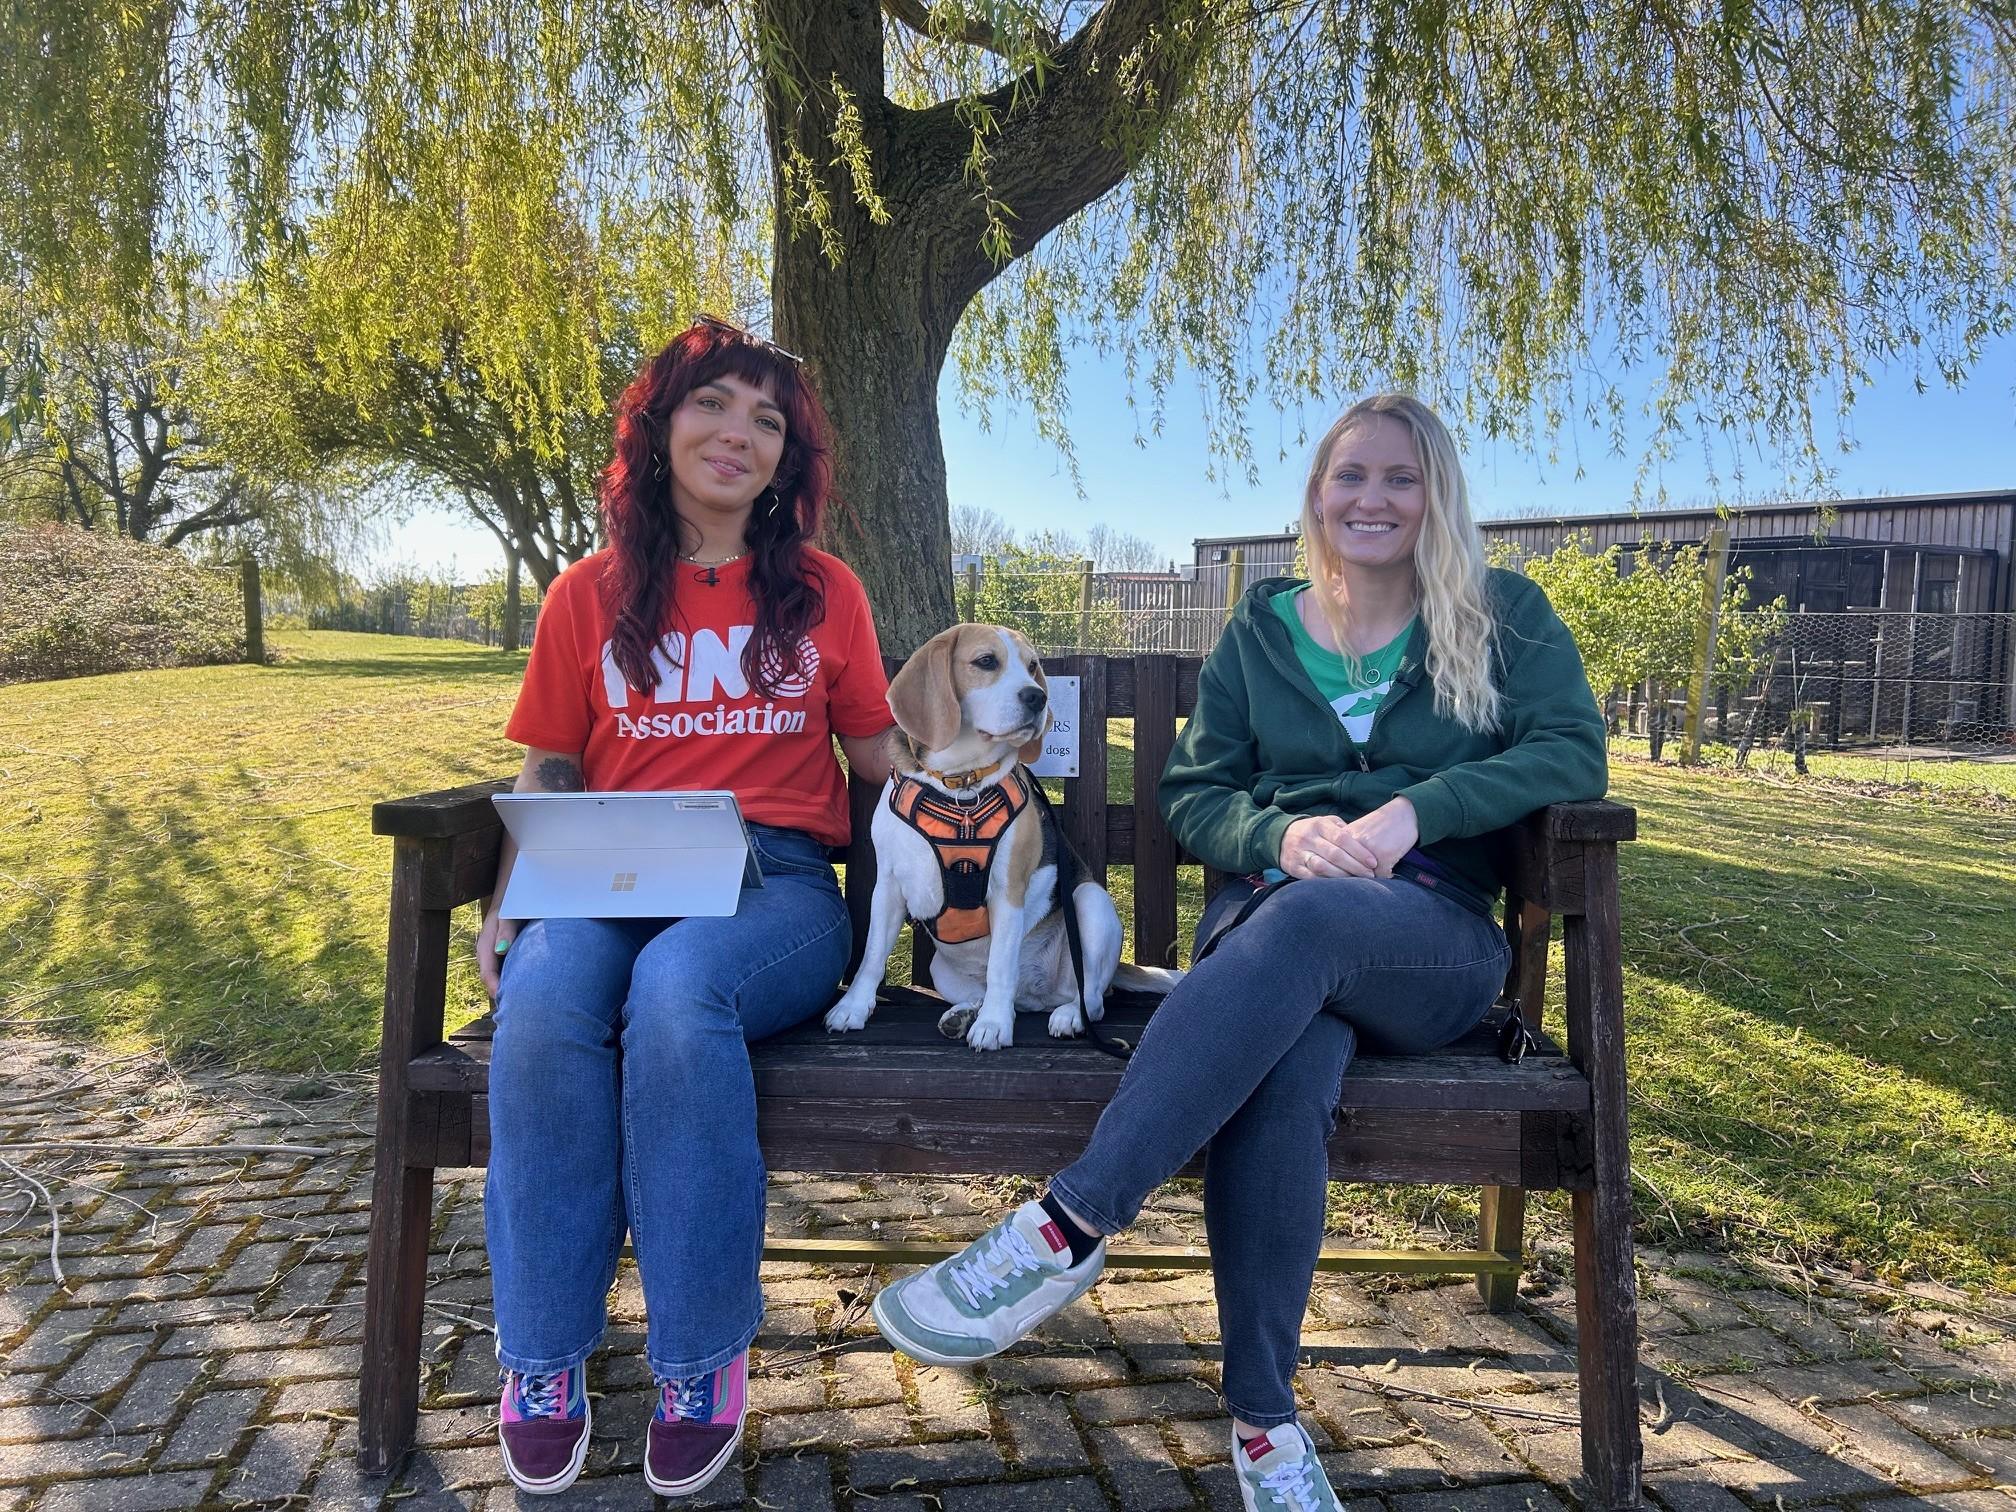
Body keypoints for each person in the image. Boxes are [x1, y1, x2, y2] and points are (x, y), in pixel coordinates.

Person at [871, 395, 1608, 1511]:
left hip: (1430, 940)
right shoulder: (1262, 632)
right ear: (1318, 494)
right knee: (1291, 1058)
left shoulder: (1500, 613)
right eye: (1349, 476)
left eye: (1400, 479)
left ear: (1435, 494)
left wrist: (1422, 809)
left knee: (1307, 930)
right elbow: (1196, 795)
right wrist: (1280, 834)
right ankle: (1265, 1426)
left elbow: (1572, 750)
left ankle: (1063, 1226)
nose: (1372, 498)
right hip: (1271, 929)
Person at [475, 317, 894, 1499]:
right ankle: (544, 1357)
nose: (741, 434)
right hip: (609, 871)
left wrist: (978, 803)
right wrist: (511, 902)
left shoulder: (823, 594)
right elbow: (552, 769)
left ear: (785, 464)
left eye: (769, 421)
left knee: (677, 995)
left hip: (775, 885)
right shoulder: (588, 595)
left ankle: (702, 1355)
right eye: (715, 404)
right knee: (549, 1000)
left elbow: (878, 760)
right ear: (659, 427)